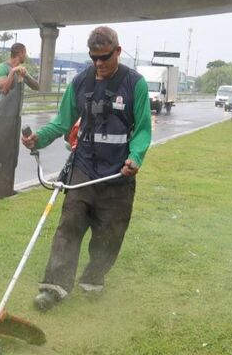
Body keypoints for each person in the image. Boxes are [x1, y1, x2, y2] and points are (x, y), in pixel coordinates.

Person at [21, 26, 152, 312]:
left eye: (104, 57)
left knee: (110, 233)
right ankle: (53, 287)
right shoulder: (81, 82)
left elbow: (142, 130)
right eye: (94, 58)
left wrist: (136, 157)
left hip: (118, 174)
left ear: (118, 51)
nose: (99, 64)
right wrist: (38, 138)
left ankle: (94, 278)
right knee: (69, 227)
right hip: (83, 170)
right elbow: (62, 122)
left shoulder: (135, 84)